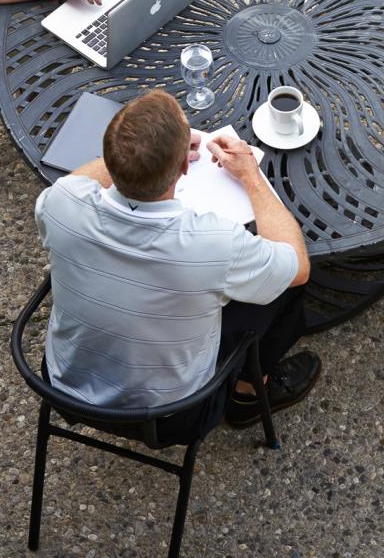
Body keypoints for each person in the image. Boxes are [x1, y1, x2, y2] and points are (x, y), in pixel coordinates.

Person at [35, 90, 321, 432]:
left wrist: (142, 151)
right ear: (185, 166)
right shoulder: (214, 244)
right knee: (283, 286)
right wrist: (250, 176)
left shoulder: (60, 202)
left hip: (62, 386)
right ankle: (248, 394)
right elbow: (298, 266)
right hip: (172, 416)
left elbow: (81, 179)